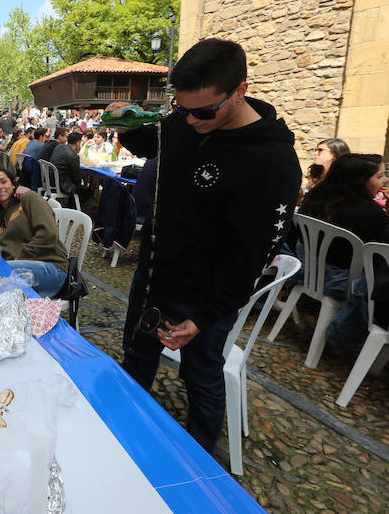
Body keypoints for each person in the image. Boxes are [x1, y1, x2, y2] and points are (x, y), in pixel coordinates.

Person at [117, 38, 301, 456]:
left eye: (203, 111)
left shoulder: (271, 162)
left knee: (200, 375)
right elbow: (155, 141)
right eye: (181, 109)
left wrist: (202, 318)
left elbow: (251, 256)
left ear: (240, 90)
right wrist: (125, 124)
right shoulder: (187, 120)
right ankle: (122, 439)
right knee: (136, 357)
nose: (190, 120)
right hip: (154, 277)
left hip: (204, 297)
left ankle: (198, 462)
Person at [298, 153, 389, 353]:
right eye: (380, 176)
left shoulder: (316, 198)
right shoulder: (370, 214)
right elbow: (380, 254)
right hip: (341, 283)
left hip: (308, 273)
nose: (385, 180)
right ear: (360, 181)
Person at [0, 168, 68, 297]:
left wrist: (21, 255)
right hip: (21, 268)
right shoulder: (0, 216)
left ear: (13, 184)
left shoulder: (29, 198)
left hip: (52, 268)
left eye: (3, 182)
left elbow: (48, 234)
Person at [52, 131, 93, 208]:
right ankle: (74, 207)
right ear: (78, 143)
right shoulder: (73, 156)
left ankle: (71, 204)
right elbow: (76, 179)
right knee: (89, 191)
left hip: (53, 180)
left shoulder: (59, 147)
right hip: (63, 185)